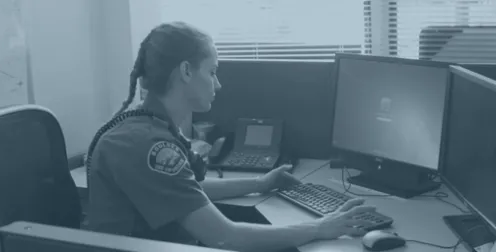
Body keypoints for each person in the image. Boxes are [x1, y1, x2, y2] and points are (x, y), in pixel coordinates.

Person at [83, 22, 376, 252]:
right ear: (186, 71)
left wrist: (260, 183)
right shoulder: (149, 146)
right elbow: (226, 237)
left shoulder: (145, 127)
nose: (218, 84)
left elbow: (186, 191)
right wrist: (320, 227)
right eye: (212, 72)